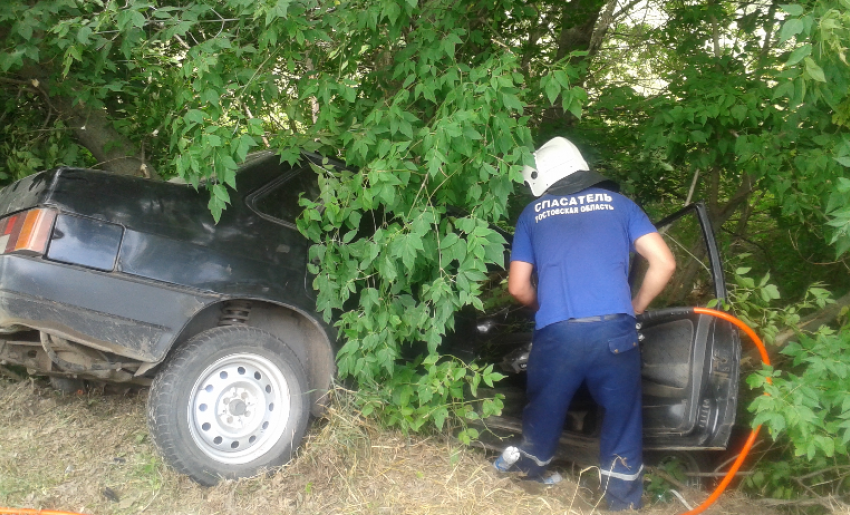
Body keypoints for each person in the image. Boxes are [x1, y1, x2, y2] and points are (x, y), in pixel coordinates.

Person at [494, 136, 676, 511]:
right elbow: (664, 263)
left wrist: (545, 307)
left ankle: (530, 474)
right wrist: (635, 306)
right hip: (615, 330)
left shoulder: (533, 214)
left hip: (558, 333)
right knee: (622, 420)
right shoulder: (622, 206)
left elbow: (517, 287)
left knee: (543, 410)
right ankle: (622, 504)